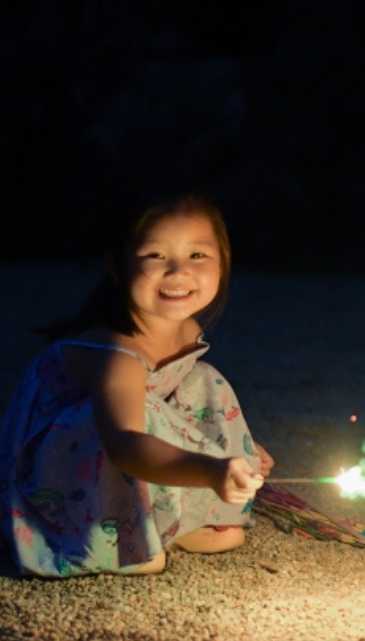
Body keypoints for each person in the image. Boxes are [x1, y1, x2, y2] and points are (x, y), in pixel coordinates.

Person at [0, 195, 274, 576]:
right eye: (155, 256)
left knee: (204, 379)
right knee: (136, 414)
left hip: (122, 444)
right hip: (61, 470)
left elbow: (175, 401)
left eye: (197, 256)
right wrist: (210, 470)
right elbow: (125, 444)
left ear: (223, 263)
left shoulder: (187, 329)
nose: (178, 271)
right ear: (117, 266)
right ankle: (116, 535)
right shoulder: (115, 352)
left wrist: (235, 451)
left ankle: (174, 519)